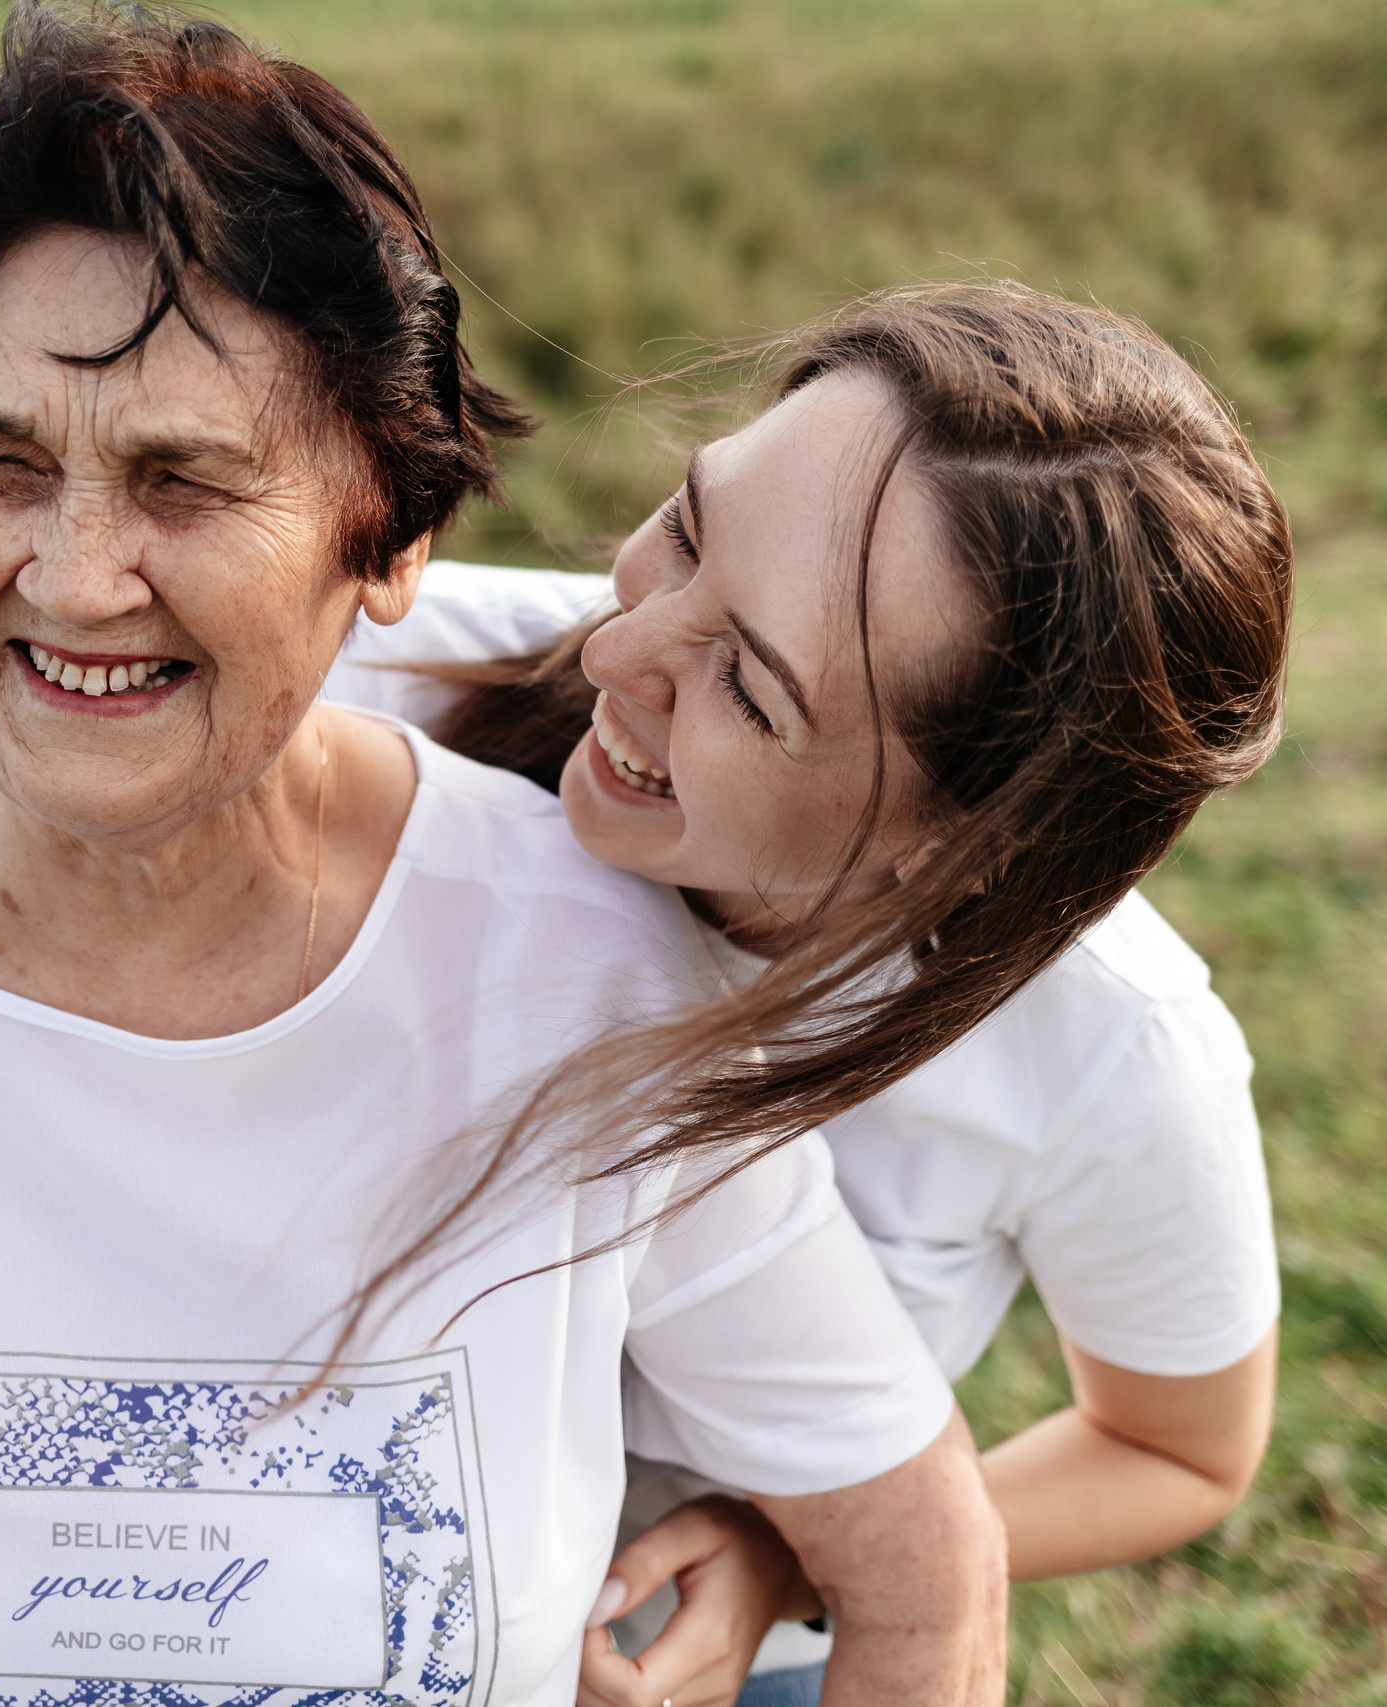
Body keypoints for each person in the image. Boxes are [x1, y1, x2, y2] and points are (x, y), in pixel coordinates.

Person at [0, 12, 1009, 1706]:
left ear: (394, 540)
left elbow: (923, 1581)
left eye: (183, 485)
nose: (73, 581)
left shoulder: (581, 971)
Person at [321, 284, 1294, 1707]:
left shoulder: (1115, 1047)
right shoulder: (369, 684)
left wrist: (800, 1551)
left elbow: (1179, 1447)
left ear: (972, 838)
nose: (613, 653)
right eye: (689, 532)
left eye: (754, 690)